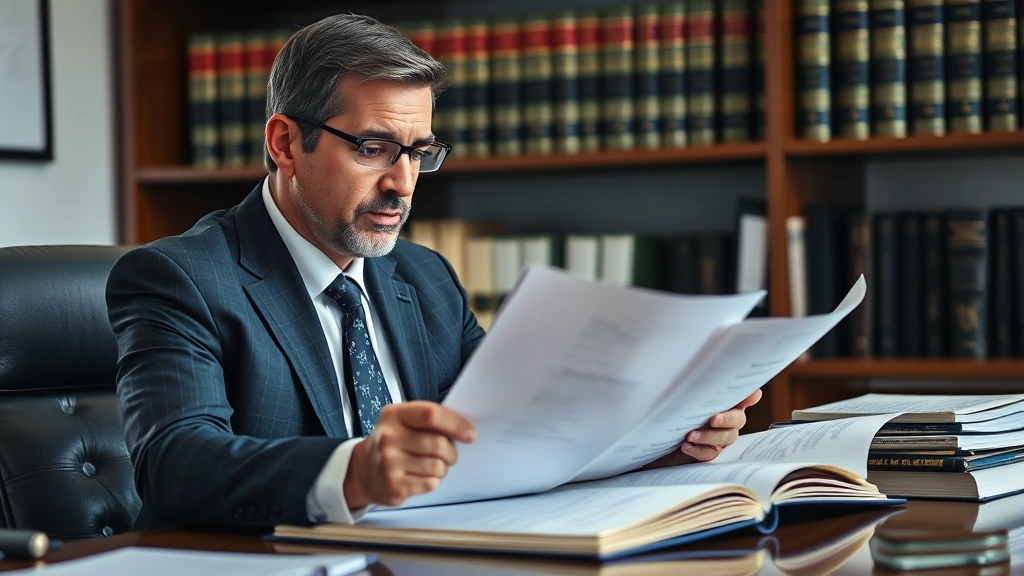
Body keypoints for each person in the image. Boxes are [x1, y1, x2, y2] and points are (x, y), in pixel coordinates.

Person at [107, 13, 762, 531]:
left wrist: (660, 440)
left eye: (420, 153)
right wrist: (357, 471)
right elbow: (175, 462)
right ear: (285, 144)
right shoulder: (178, 278)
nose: (402, 184)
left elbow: (513, 432)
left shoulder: (424, 277)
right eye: (373, 148)